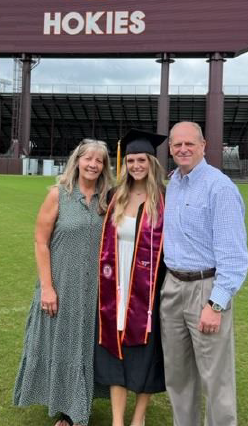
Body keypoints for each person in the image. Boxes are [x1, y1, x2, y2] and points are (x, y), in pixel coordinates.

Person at [13, 139, 113, 426]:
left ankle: (77, 407)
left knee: (86, 347)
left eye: (99, 160)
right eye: (88, 159)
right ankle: (67, 408)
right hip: (60, 286)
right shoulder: (58, 195)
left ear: (104, 166)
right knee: (63, 346)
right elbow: (41, 242)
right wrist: (47, 287)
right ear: (77, 161)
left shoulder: (107, 200)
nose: (93, 164)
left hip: (94, 291)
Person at [160, 121, 248, 426]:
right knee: (178, 375)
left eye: (189, 143)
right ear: (170, 148)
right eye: (176, 145)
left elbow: (234, 258)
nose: (183, 149)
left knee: (216, 378)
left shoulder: (219, 187)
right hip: (172, 286)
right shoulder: (173, 183)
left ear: (203, 146)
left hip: (205, 289)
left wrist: (216, 305)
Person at [95, 129, 167, 426]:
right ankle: (117, 420)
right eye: (132, 160)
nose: (136, 165)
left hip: (147, 288)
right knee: (115, 351)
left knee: (144, 353)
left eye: (142, 160)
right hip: (115, 282)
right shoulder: (115, 196)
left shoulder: (164, 198)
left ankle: (138, 418)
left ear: (151, 162)